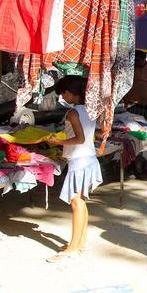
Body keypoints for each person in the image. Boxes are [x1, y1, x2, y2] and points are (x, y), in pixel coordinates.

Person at [45, 76, 102, 262]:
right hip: (89, 159)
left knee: (76, 204)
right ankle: (81, 242)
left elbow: (79, 138)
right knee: (81, 203)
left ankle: (73, 247)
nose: (63, 97)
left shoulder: (72, 113)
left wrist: (57, 141)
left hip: (79, 161)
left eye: (63, 93)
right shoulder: (90, 109)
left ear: (70, 93)